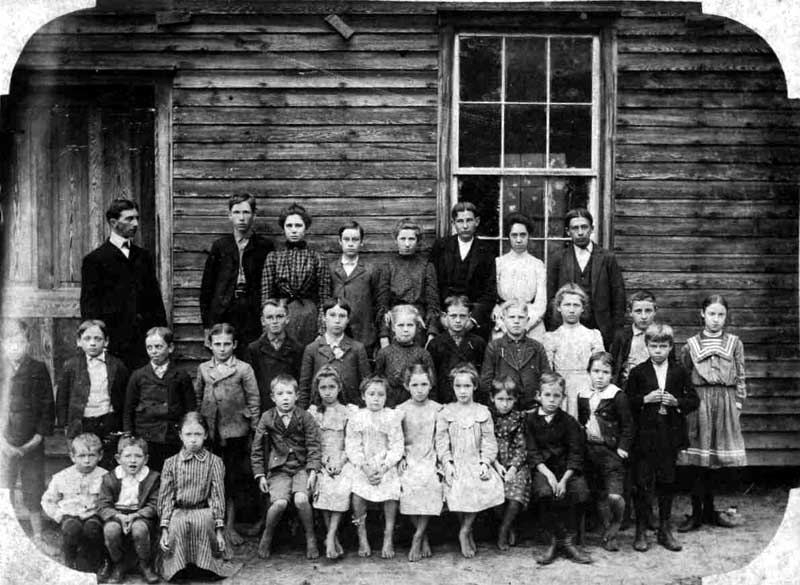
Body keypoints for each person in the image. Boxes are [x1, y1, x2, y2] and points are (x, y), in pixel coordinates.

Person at [677, 294, 747, 532]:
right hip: (699, 403)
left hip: (725, 401)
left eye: (721, 315)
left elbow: (740, 374)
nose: (716, 319)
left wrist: (738, 403)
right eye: (711, 314)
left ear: (726, 316)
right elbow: (683, 378)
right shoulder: (691, 345)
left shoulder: (735, 343)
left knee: (715, 460)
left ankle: (710, 511)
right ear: (702, 314)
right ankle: (696, 513)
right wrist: (686, 406)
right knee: (699, 460)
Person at [627, 323, 699, 552]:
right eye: (653, 346)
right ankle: (640, 530)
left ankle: (664, 530)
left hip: (669, 436)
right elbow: (627, 401)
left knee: (667, 482)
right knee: (642, 483)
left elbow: (694, 400)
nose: (658, 351)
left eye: (663, 346)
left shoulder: (679, 371)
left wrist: (677, 402)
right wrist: (644, 399)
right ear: (647, 346)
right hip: (644, 438)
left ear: (670, 347)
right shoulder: (638, 372)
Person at [80, 198, 167, 369]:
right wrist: (96, 338)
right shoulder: (95, 260)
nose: (135, 223)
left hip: (144, 342)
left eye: (137, 218)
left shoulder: (143, 257)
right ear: (113, 223)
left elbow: (155, 299)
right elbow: (89, 305)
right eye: (129, 219)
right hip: (113, 342)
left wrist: (161, 334)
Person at [195, 323, 260, 546]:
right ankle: (212, 525)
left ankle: (230, 525)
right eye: (217, 344)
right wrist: (199, 426)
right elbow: (198, 397)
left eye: (226, 344)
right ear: (210, 345)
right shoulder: (204, 368)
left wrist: (254, 429)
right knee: (211, 477)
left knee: (231, 479)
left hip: (235, 431)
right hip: (211, 431)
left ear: (234, 345)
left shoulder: (243, 369)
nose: (222, 349)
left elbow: (253, 400)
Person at [157, 412, 240, 581]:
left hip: (203, 510)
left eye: (198, 434)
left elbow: (217, 496)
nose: (193, 440)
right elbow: (166, 497)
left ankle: (205, 567)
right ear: (180, 435)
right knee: (178, 523)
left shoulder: (214, 462)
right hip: (179, 511)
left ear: (205, 435)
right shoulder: (170, 463)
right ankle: (180, 567)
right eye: (188, 434)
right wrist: (164, 529)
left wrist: (219, 531)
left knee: (202, 522)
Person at [435, 364, 505, 558]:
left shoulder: (483, 412)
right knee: (457, 487)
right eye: (458, 386)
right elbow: (441, 442)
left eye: (467, 386)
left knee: (480, 484)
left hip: (475, 461)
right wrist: (447, 463)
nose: (463, 391)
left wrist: (485, 462)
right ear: (453, 387)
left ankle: (465, 529)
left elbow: (489, 442)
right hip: (455, 461)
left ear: (474, 386)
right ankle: (467, 531)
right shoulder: (446, 412)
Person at [251, 374, 322, 560]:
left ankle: (310, 537)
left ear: (297, 396)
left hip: (301, 467)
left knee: (301, 500)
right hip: (279, 470)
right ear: (273, 397)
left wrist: (313, 471)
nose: (285, 398)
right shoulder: (267, 417)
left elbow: (314, 446)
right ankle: (267, 534)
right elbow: (257, 449)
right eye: (280, 394)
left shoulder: (305, 417)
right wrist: (260, 475)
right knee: (280, 503)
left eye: (289, 393)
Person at [526, 372, 592, 565]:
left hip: (566, 470)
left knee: (580, 491)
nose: (552, 400)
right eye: (547, 395)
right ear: (538, 395)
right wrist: (549, 475)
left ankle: (569, 541)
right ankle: (553, 541)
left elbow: (575, 453)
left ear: (563, 397)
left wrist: (563, 480)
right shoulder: (530, 420)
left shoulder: (568, 421)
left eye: (557, 396)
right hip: (543, 469)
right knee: (545, 492)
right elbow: (532, 451)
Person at [0, 320, 55, 553]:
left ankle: (38, 537)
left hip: (31, 442)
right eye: (10, 341)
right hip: (3, 443)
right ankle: (7, 537)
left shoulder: (38, 369)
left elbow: (47, 406)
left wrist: (36, 439)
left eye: (20, 341)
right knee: (5, 487)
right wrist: (2, 443)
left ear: (28, 343)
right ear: (3, 343)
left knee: (33, 487)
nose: (15, 346)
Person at [200, 193, 274, 355]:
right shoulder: (220, 246)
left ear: (254, 215)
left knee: (252, 355)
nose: (241, 218)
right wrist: (207, 326)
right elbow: (207, 288)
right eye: (237, 212)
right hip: (224, 311)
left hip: (252, 312)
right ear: (229, 215)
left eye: (246, 212)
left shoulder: (264, 247)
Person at [576, 351, 633, 552]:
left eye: (605, 372)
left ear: (612, 375)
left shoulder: (617, 396)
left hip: (611, 452)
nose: (600, 376)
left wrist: (622, 448)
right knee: (599, 494)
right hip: (590, 451)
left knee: (614, 495)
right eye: (596, 371)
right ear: (589, 372)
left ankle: (616, 523)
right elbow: (582, 422)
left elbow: (628, 425)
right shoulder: (583, 395)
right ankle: (609, 533)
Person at [546, 208, 625, 348]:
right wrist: (554, 327)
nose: (580, 232)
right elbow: (551, 296)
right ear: (568, 231)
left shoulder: (607, 258)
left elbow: (618, 296)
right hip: (567, 327)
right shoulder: (558, 258)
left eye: (584, 227)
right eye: (575, 228)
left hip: (601, 328)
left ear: (592, 229)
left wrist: (616, 330)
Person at [57, 320, 130, 471]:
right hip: (82, 423)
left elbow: (124, 399)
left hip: (108, 422)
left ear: (106, 341)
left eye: (98, 339)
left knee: (108, 464)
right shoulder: (71, 366)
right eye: (87, 338)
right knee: (84, 463)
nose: (92, 343)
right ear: (79, 341)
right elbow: (62, 398)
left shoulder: (117, 365)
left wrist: (123, 428)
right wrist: (66, 426)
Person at [345, 376, 404, 559]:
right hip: (364, 465)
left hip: (385, 465)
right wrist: (365, 468)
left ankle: (388, 535)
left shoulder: (391, 417)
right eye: (371, 394)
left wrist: (385, 467)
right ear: (363, 396)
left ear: (386, 397)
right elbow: (352, 446)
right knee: (357, 492)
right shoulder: (357, 417)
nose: (376, 399)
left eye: (380, 395)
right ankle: (362, 534)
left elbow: (397, 446)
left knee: (391, 490)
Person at [123, 326, 196, 471]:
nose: (153, 351)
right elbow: (128, 408)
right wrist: (128, 434)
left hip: (172, 436)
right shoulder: (138, 376)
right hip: (146, 435)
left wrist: (188, 433)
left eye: (158, 346)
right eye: (149, 347)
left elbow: (190, 408)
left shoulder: (181, 375)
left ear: (170, 348)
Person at [260, 202, 332, 346]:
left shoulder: (317, 258)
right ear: (283, 228)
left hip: (309, 314)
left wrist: (322, 330)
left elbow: (324, 297)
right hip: (281, 314)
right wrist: (267, 328)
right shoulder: (274, 257)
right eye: (289, 226)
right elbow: (266, 297)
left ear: (305, 228)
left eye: (298, 226)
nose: (294, 230)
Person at [96, 436, 160, 584]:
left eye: (138, 456)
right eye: (127, 456)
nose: (133, 460)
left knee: (139, 529)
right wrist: (117, 516)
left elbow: (155, 504)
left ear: (146, 459)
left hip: (141, 514)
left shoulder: (153, 478)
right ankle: (118, 564)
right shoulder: (109, 478)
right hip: (117, 514)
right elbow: (103, 504)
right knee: (111, 530)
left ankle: (145, 564)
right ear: (118, 459)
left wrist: (137, 515)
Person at [395, 363, 442, 562]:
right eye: (415, 385)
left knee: (431, 484)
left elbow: (440, 439)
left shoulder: (438, 409)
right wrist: (400, 458)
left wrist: (440, 461)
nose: (420, 389)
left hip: (430, 456)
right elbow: (396, 439)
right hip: (410, 456)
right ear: (407, 386)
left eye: (424, 384)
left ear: (431, 385)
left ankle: (418, 536)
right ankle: (422, 535)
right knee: (408, 485)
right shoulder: (401, 410)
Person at [41, 433, 108, 572]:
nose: (87, 461)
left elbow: (111, 499)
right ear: (72, 457)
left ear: (100, 455)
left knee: (92, 528)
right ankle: (69, 561)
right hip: (70, 515)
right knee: (71, 528)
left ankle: (96, 563)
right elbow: (48, 500)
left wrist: (104, 514)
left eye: (92, 455)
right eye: (81, 456)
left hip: (94, 515)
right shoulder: (62, 477)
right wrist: (59, 515)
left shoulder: (106, 477)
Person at [429, 201, 496, 340]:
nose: (465, 226)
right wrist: (441, 317)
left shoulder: (486, 250)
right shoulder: (441, 247)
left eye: (469, 220)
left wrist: (473, 319)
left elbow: (490, 291)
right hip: (445, 317)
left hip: (473, 320)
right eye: (460, 221)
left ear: (477, 221)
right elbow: (432, 285)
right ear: (453, 223)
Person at [307, 366, 353, 560]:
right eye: (323, 388)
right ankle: (331, 536)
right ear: (317, 389)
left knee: (342, 486)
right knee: (324, 485)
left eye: (332, 387)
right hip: (322, 459)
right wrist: (324, 462)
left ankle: (331, 535)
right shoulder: (314, 413)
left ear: (339, 387)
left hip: (343, 459)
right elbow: (313, 443)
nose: (327, 392)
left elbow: (351, 442)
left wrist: (340, 462)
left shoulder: (348, 411)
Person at [543, 283, 605, 418]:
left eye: (576, 305)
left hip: (587, 387)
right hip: (562, 389)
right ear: (559, 307)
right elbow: (548, 370)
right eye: (567, 305)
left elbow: (600, 366)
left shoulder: (592, 335)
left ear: (583, 308)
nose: (571, 310)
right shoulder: (551, 337)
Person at [298, 298, 371, 408]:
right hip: (320, 410)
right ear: (324, 317)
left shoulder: (357, 348)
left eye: (342, 316)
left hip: (351, 409)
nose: (337, 320)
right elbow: (304, 388)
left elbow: (366, 385)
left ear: (348, 319)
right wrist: (303, 414)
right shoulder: (312, 349)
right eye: (332, 315)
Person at [329, 221, 387, 357]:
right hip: (337, 333)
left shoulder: (371, 270)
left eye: (355, 239)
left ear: (361, 242)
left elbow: (380, 304)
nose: (350, 244)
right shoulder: (331, 269)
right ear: (340, 241)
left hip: (363, 334)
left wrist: (382, 334)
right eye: (346, 239)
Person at [479, 300, 551, 410]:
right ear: (503, 319)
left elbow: (546, 378)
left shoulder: (537, 347)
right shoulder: (494, 347)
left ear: (527, 320)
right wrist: (495, 406)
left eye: (521, 317)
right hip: (504, 407)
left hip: (532, 406)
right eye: (511, 317)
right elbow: (486, 381)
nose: (516, 321)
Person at [379, 218, 440, 347]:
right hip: (395, 323)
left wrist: (432, 333)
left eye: (411, 239)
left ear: (418, 241)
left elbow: (433, 303)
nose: (407, 244)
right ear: (396, 240)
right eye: (403, 239)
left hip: (419, 323)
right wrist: (384, 335)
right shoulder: (388, 266)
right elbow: (382, 304)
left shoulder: (426, 266)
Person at [489, 377, 531, 551]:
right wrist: (495, 464)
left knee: (515, 496)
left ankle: (504, 530)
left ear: (515, 400)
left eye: (509, 399)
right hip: (494, 463)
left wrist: (513, 468)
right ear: (492, 398)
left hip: (516, 464)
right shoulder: (488, 417)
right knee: (495, 494)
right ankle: (507, 524)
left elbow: (522, 446)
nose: (505, 404)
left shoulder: (520, 418)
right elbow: (485, 443)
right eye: (500, 399)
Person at [492, 212, 547, 342]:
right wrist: (504, 324)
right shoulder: (499, 263)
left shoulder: (537, 264)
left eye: (523, 235)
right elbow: (492, 300)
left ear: (529, 236)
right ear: (508, 237)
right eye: (514, 235)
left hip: (531, 323)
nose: (518, 240)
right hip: (503, 322)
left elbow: (541, 302)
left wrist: (525, 326)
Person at [244, 299, 304, 413]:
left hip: (290, 408)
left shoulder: (297, 348)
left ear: (287, 319)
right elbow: (250, 386)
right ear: (263, 321)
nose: (275, 321)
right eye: (270, 317)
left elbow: (301, 383)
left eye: (279, 317)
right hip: (265, 408)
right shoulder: (254, 349)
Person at [427, 295, 486, 404]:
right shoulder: (435, 344)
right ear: (445, 316)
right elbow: (432, 377)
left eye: (462, 316)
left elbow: (482, 374)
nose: (458, 320)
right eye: (453, 316)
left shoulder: (477, 343)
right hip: (444, 399)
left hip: (470, 399)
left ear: (469, 316)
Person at [610, 290, 674, 390]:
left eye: (648, 311)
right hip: (628, 387)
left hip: (658, 386)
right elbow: (614, 365)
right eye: (638, 311)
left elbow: (672, 365)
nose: (643, 316)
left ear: (655, 311)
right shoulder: (622, 336)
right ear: (630, 312)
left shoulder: (664, 334)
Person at [374, 304, 435, 407]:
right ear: (393, 327)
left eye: (410, 325)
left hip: (417, 406)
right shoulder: (384, 353)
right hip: (391, 406)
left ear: (416, 327)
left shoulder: (423, 354)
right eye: (401, 325)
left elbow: (432, 385)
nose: (405, 329)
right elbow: (378, 382)